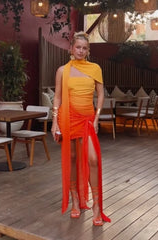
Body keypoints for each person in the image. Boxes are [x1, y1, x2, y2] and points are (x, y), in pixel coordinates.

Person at [51, 31, 111, 226]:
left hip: (87, 119)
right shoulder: (62, 70)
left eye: (85, 48)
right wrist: (54, 121)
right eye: (78, 47)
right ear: (71, 48)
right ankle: (75, 201)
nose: (81, 50)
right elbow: (58, 97)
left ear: (88, 51)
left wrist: (96, 117)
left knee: (93, 159)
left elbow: (101, 95)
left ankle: (96, 206)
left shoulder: (95, 68)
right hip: (68, 119)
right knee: (73, 159)